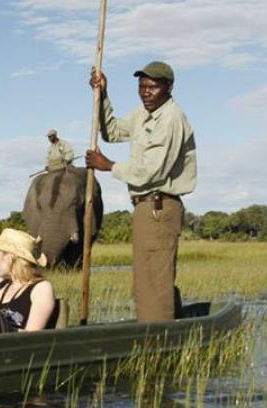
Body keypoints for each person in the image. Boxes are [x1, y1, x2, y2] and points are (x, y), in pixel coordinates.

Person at [85, 60, 196, 322]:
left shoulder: (171, 119)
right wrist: (103, 95)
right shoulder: (143, 114)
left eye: (153, 87)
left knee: (153, 283)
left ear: (169, 87)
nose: (145, 92)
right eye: (142, 86)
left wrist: (108, 165)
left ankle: (159, 344)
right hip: (145, 206)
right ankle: (166, 328)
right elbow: (111, 132)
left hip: (158, 206)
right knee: (148, 280)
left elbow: (151, 172)